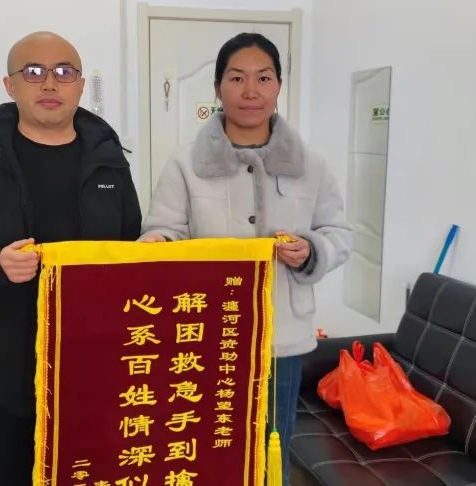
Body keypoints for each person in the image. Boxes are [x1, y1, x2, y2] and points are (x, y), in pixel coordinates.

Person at [0, 31, 141, 485]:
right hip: (3, 369)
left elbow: (126, 247)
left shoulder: (110, 164)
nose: (50, 83)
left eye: (65, 72)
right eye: (34, 72)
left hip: (93, 368)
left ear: (81, 85)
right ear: (10, 85)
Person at [141, 32, 353, 484]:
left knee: (271, 447)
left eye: (264, 78)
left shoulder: (311, 165)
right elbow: (164, 230)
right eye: (237, 78)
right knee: (203, 448)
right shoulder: (184, 164)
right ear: (218, 88)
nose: (251, 91)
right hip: (203, 335)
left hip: (280, 337)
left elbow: (338, 234)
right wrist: (157, 245)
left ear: (279, 86)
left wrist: (310, 250)